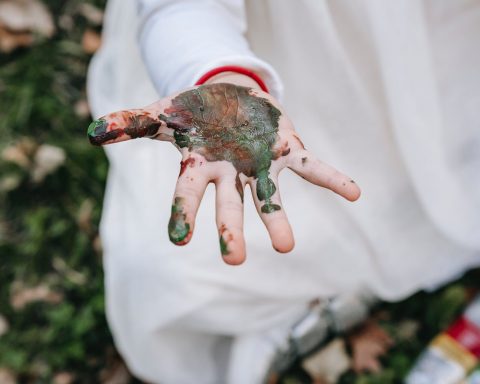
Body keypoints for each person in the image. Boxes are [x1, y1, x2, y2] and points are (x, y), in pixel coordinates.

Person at [86, 1, 480, 383]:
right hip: (273, 44)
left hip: (451, 60)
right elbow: (180, 7)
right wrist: (221, 75)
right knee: (169, 278)